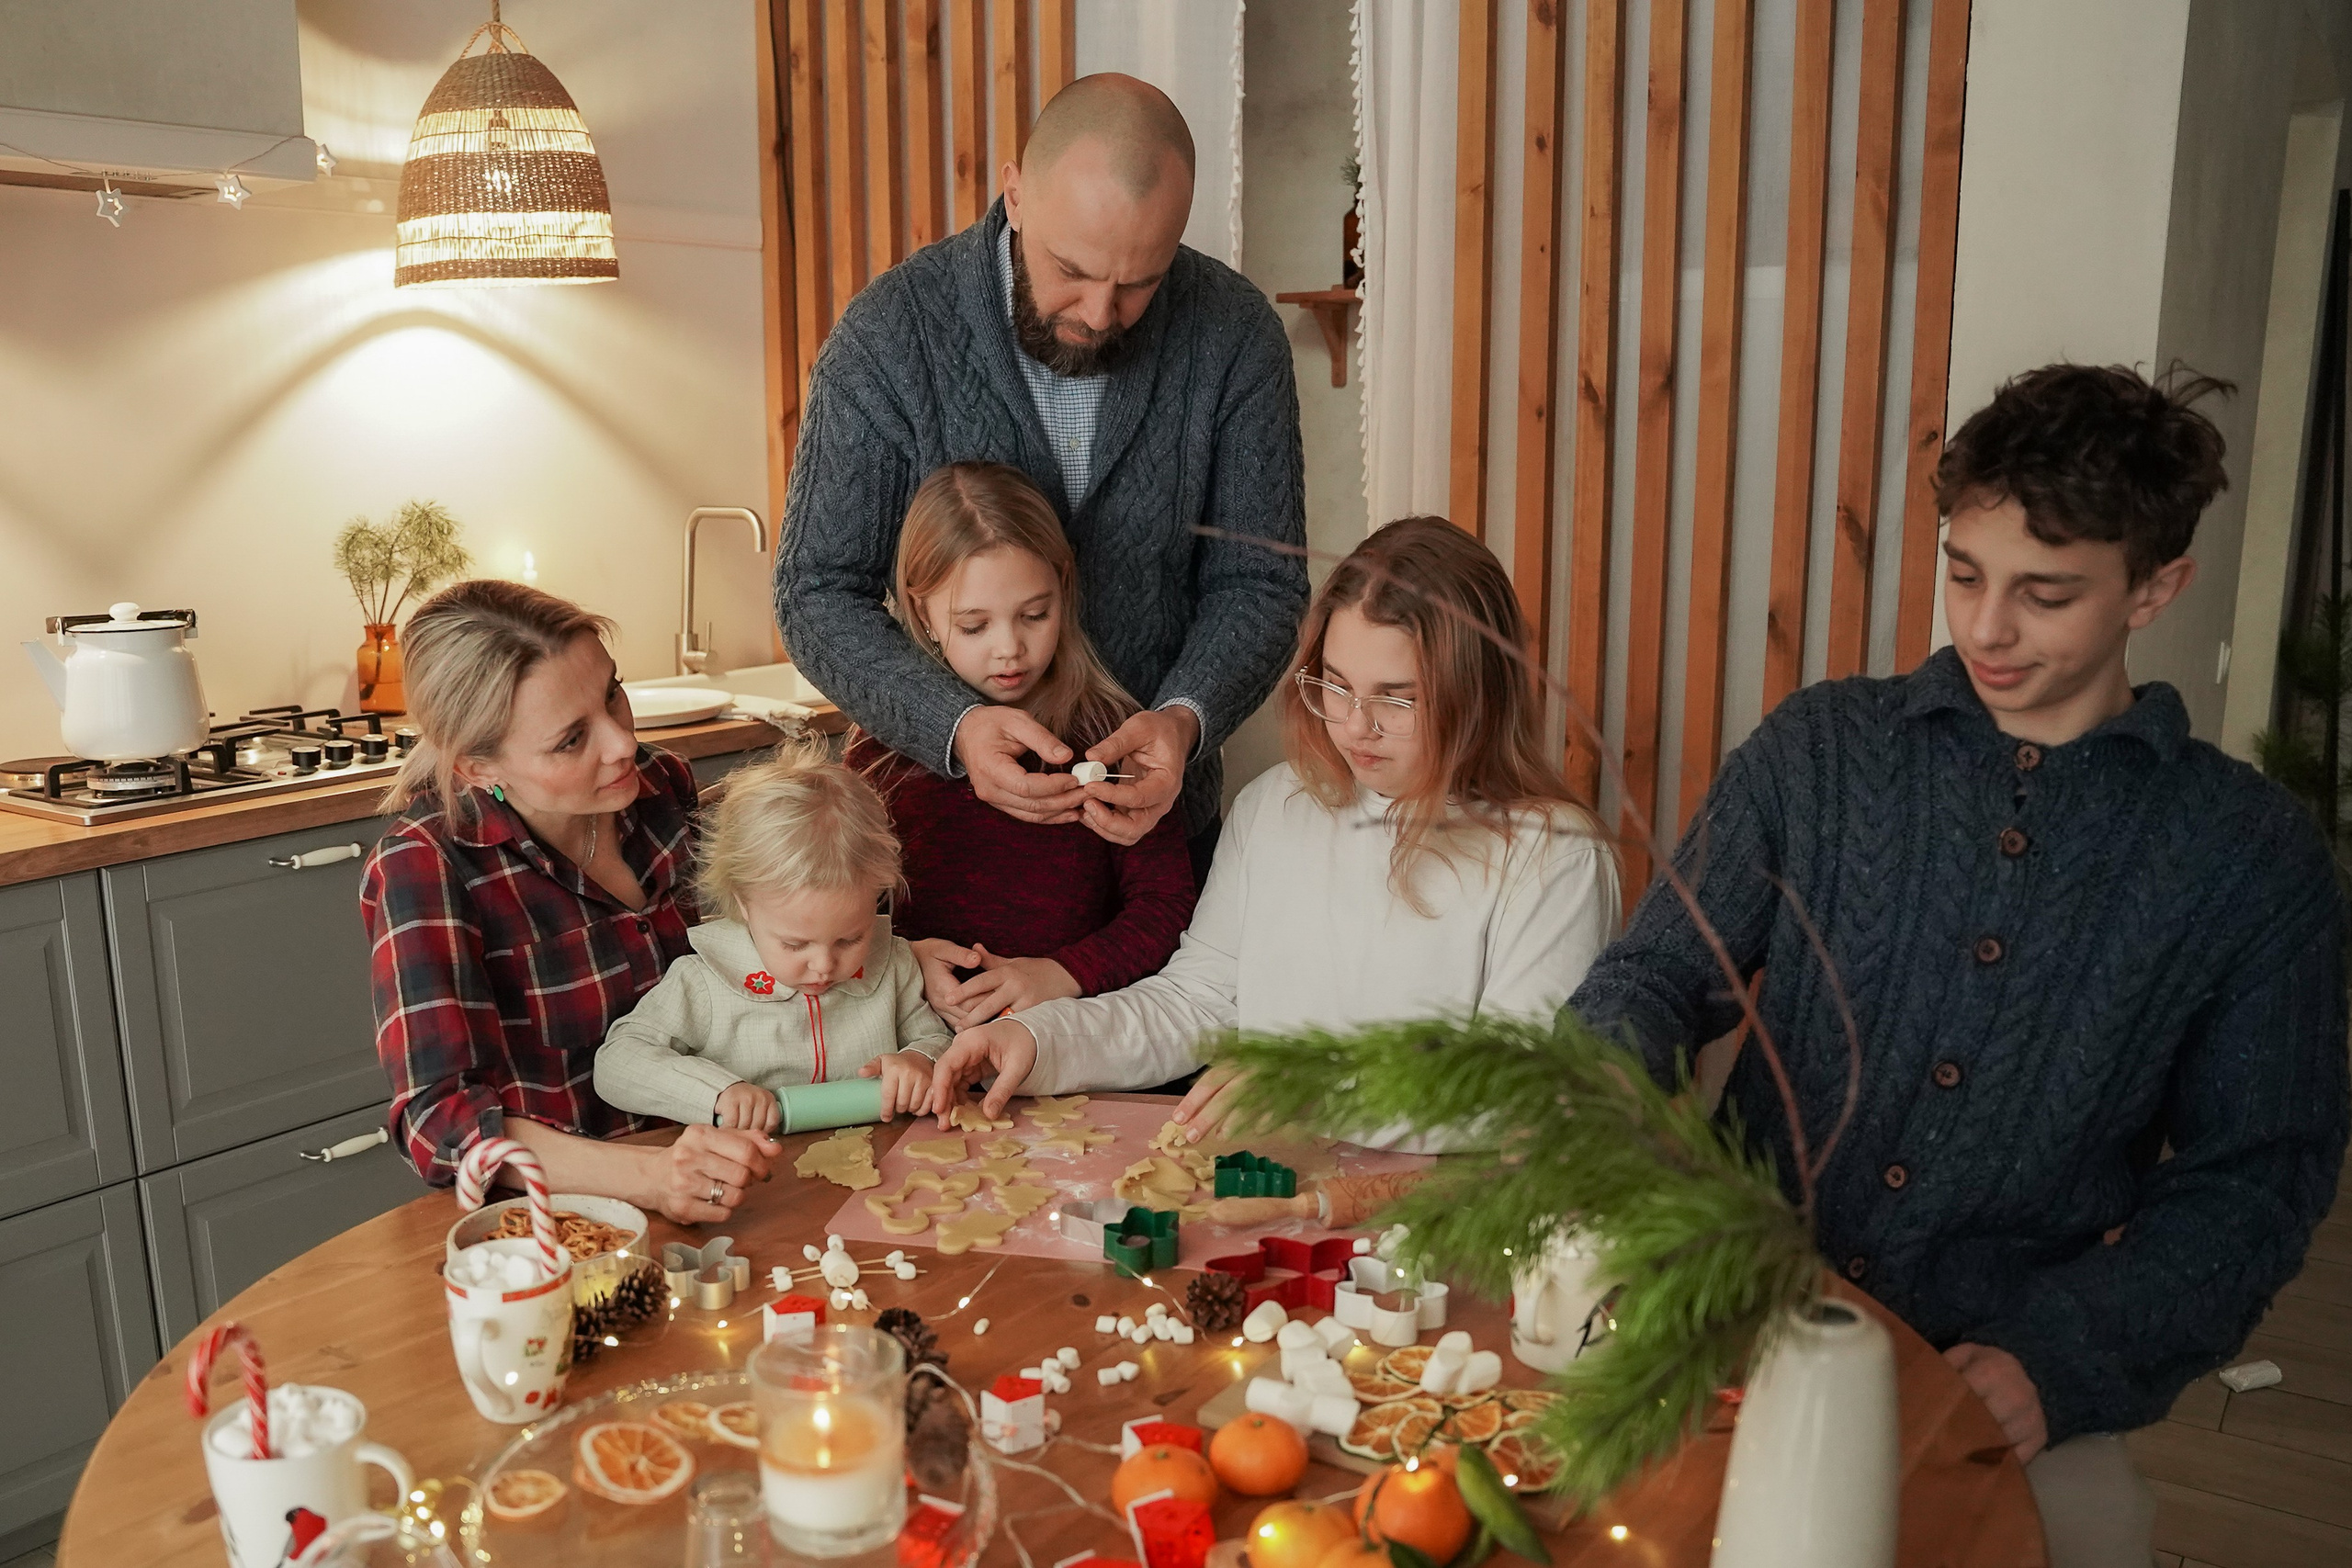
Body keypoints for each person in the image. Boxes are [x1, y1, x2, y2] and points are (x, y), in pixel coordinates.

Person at [1565, 364, 2349, 1568]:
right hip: (1728, 1320)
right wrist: (1607, 1088)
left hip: (2007, 1376)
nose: (1984, 628)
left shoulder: (2246, 854)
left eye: (2046, 594)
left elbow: (2257, 1176)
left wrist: (2062, 1357)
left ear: (2155, 587)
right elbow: (1654, 977)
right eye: (1965, 572)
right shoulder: (1821, 750)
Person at [775, 73, 1308, 882]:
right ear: (1015, 194)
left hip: (1157, 846)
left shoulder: (1236, 336)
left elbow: (1262, 583)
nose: (1098, 312)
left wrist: (1185, 719)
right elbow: (814, 589)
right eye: (1071, 269)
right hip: (941, 850)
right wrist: (955, 725)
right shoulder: (890, 335)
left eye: (1140, 283)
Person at [927, 517, 1623, 1134]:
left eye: (1397, 699)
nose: (1356, 726)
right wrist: (1038, 1040)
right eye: (1336, 685)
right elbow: (1196, 1001)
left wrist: (1308, 1089)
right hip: (1269, 1185)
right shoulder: (1277, 804)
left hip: (1438, 1213)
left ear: (1476, 694)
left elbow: (1522, 1093)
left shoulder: (1554, 856)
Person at [360, 581, 778, 1223]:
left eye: (612, 692)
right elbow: (441, 1122)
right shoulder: (426, 864)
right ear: (477, 767)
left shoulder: (660, 786)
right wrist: (650, 1175)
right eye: (571, 739)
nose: (622, 744)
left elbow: (741, 967)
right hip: (572, 1223)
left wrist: (890, 960)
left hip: (731, 1174)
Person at [847, 462, 1198, 1029]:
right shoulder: (881, 749)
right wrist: (903, 962)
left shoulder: (1115, 737)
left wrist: (1063, 973)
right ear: (922, 611)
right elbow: (832, 916)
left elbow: (1167, 907)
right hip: (916, 1040)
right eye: (974, 626)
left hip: (1072, 1033)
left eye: (1035, 615)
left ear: (1064, 586)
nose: (1010, 648)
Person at [593, 748, 947, 1129]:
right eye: (795, 944)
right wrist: (717, 1092)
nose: (824, 966)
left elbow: (939, 1038)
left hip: (883, 1154)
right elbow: (617, 1064)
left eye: (849, 940)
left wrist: (921, 1059)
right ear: (744, 904)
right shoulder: (704, 981)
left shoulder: (892, 963)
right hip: (754, 1160)